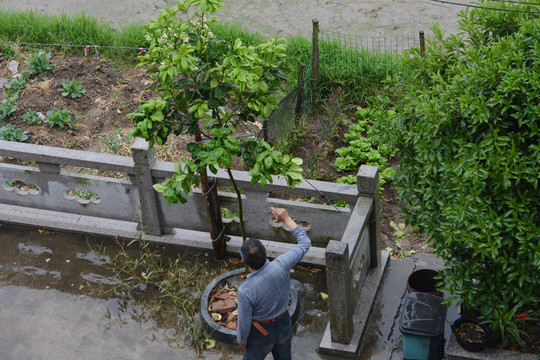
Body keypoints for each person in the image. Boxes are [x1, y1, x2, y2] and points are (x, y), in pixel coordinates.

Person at [236, 207, 312, 360]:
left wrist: (242, 340)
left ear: (244, 261)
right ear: (265, 253)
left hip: (261, 334)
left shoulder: (245, 290)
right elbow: (305, 242)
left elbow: (244, 323)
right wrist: (286, 218)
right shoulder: (282, 264)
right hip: (284, 323)